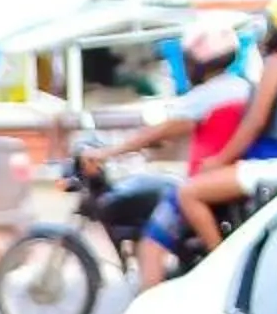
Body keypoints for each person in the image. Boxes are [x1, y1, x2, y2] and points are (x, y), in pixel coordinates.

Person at [81, 17, 251, 288]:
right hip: (227, 183)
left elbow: (160, 132)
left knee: (151, 248)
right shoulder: (242, 88)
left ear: (198, 60)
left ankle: (148, 312)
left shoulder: (205, 96)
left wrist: (108, 152)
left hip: (202, 185)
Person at [179, 0, 277, 255]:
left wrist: (220, 159)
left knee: (189, 193)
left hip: (273, 166)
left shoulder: (276, 64)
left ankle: (220, 264)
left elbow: (254, 122)